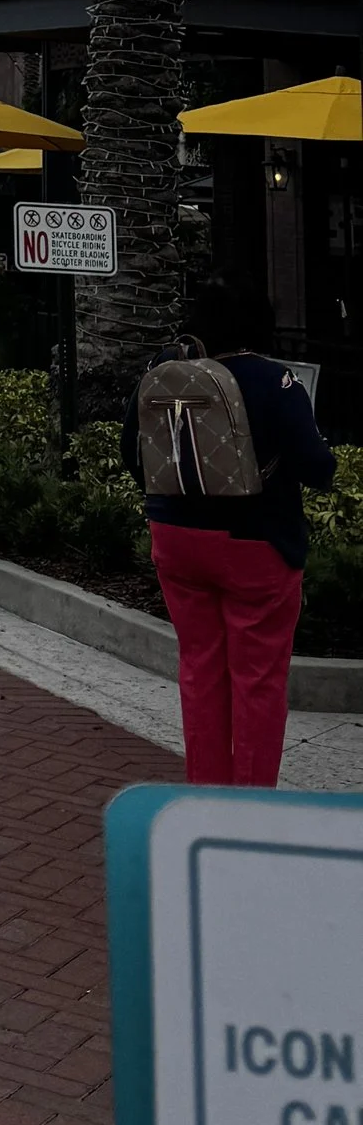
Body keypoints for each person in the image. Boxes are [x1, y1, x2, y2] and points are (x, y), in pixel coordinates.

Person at [141, 277, 336, 788]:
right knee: (258, 680)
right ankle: (249, 807)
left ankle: (205, 795)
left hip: (177, 540)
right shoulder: (276, 381)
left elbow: (132, 455)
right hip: (256, 545)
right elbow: (318, 468)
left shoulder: (166, 375)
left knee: (200, 670)